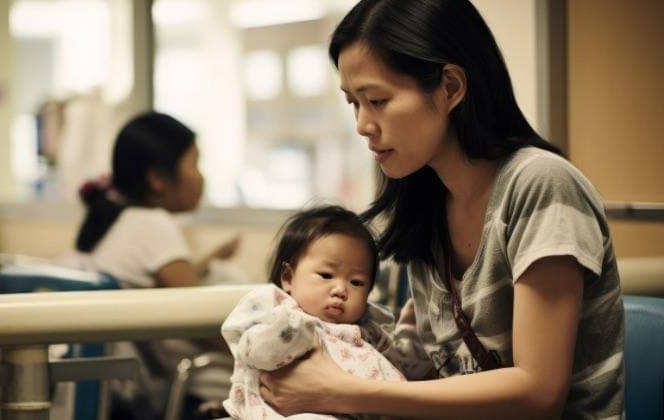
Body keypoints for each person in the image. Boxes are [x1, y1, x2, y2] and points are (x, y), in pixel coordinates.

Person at [258, 1, 625, 419]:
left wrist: (341, 391)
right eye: (353, 103)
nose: (362, 124)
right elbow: (426, 368)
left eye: (377, 100)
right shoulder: (426, 204)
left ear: (450, 87)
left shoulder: (542, 185)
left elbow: (539, 393)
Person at [59, 111, 240, 419]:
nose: (202, 177)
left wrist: (209, 260)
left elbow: (165, 284)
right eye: (194, 164)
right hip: (140, 398)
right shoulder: (152, 224)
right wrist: (260, 354)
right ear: (157, 178)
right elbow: (201, 321)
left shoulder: (115, 219)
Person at [222, 205, 410, 420]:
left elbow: (398, 365)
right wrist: (285, 332)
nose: (341, 290)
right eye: (326, 275)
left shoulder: (368, 329)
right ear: (288, 277)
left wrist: (410, 338)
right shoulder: (277, 310)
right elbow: (251, 351)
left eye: (356, 282)